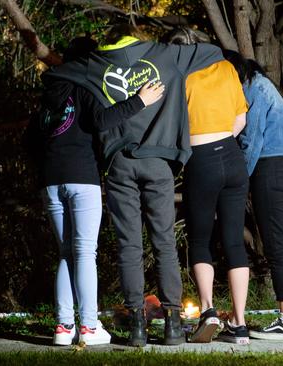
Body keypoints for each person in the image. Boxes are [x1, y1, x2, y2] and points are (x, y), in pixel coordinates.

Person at [43, 24, 224, 346]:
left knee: (130, 245)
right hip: (159, 163)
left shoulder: (95, 64)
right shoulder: (167, 55)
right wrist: (171, 59)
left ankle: (138, 327)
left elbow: (54, 76)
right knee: (164, 242)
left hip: (119, 163)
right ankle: (171, 324)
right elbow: (215, 52)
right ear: (136, 37)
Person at [24, 36, 166, 346]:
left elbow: (29, 141)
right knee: (85, 252)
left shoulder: (48, 92)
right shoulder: (84, 85)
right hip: (82, 177)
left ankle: (63, 328)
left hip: (50, 181)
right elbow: (102, 120)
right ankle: (88, 327)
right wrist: (140, 100)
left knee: (65, 253)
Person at [166, 27, 251, 345]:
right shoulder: (226, 67)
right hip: (232, 157)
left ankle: (208, 311)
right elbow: (240, 119)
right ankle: (240, 324)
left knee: (200, 240)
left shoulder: (179, 75)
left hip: (201, 160)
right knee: (233, 242)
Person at [224, 50, 283, 340]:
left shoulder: (255, 89)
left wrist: (237, 180)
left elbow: (251, 140)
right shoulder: (264, 85)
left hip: (271, 169)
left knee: (276, 246)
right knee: (282, 244)